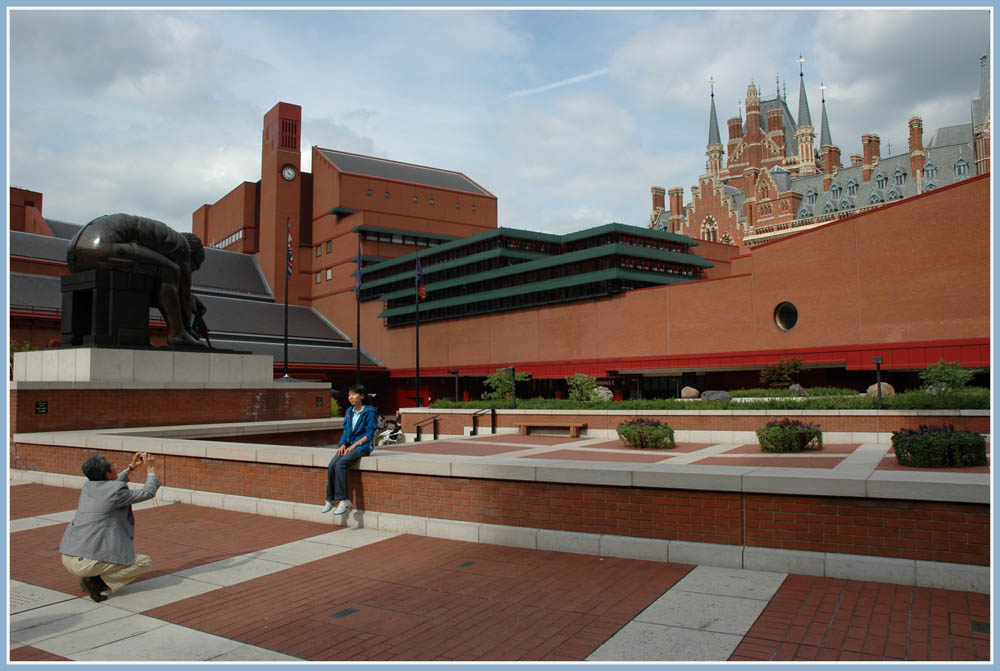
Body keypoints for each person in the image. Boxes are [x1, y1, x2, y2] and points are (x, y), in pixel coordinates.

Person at [66, 213, 207, 348]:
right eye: (193, 267)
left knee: (164, 271)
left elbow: (163, 290)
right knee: (171, 271)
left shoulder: (167, 240)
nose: (189, 271)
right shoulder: (183, 247)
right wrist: (188, 327)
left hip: (75, 252)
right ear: (193, 257)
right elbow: (184, 293)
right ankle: (178, 334)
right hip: (100, 247)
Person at [59, 452, 160, 602]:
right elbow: (148, 492)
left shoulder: (88, 486)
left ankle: (93, 576)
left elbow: (109, 486)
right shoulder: (116, 493)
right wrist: (150, 470)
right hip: (86, 563)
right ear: (107, 474)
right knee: (143, 562)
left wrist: (131, 467)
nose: (115, 466)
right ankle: (95, 582)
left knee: (110, 555)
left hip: (68, 555)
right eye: (112, 466)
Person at [322, 384, 377, 515]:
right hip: (349, 445)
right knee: (332, 464)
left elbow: (369, 435)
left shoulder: (369, 411)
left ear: (362, 396)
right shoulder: (349, 411)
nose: (350, 397)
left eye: (353, 394)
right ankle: (330, 499)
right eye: (349, 395)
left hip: (363, 446)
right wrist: (342, 444)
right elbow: (346, 432)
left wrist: (354, 445)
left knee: (341, 464)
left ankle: (344, 500)